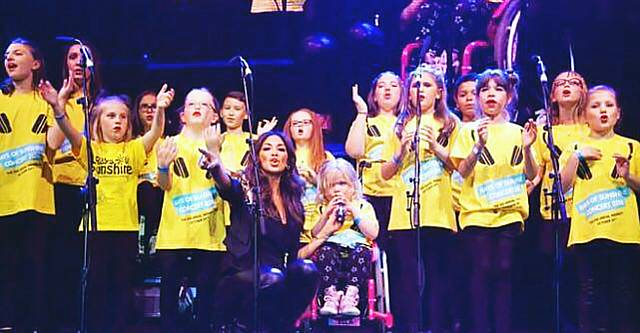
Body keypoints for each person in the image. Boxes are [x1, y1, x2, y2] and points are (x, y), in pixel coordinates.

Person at [42, 77, 175, 332]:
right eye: (111, 116)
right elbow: (67, 128)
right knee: (95, 289)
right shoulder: (89, 149)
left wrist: (159, 108)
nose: (118, 121)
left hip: (125, 229)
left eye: (123, 117)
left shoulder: (135, 149)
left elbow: (156, 132)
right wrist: (57, 107)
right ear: (97, 121)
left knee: (122, 290)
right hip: (94, 230)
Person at [201, 130, 319, 332]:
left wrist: (323, 235)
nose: (274, 153)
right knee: (273, 278)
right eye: (267, 148)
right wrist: (216, 168)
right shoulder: (248, 190)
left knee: (306, 269)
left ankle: (282, 327)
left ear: (288, 160)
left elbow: (293, 255)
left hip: (276, 277)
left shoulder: (294, 202)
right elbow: (229, 187)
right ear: (257, 157)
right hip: (240, 274)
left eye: (280, 149)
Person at [450, 68, 538, 333]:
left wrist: (527, 147)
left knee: (504, 271)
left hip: (509, 213)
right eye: (485, 89)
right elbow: (462, 171)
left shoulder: (517, 131)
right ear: (478, 97)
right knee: (481, 272)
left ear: (508, 97)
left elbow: (532, 174)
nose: (491, 94)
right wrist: (478, 145)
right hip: (477, 214)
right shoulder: (468, 131)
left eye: (498, 89)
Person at [380, 64, 459, 333]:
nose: (420, 90)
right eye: (415, 85)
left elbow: (459, 166)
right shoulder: (400, 125)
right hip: (404, 213)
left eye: (426, 85)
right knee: (410, 279)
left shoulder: (450, 123)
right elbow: (385, 172)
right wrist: (401, 151)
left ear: (439, 92)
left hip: (438, 211)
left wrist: (436, 147)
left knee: (438, 277)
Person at [559, 85, 640, 332]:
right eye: (595, 106)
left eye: (608, 105)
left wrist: (628, 176)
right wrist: (576, 158)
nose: (603, 110)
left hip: (623, 230)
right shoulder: (575, 147)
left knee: (623, 292)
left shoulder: (631, 146)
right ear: (584, 114)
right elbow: (561, 186)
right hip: (587, 230)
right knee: (589, 291)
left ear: (618, 113)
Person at [155, 88, 226, 332]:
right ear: (183, 114)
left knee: (206, 295)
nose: (197, 107)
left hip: (210, 233)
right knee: (169, 295)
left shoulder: (222, 143)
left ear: (215, 116)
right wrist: (162, 168)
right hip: (174, 232)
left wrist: (215, 152)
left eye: (204, 105)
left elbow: (229, 187)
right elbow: (164, 186)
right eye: (191, 104)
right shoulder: (169, 144)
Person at [0, 37, 52, 332]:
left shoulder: (45, 101)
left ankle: (33, 325)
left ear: (35, 63)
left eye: (18, 53)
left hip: (36, 198)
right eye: (7, 54)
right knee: (7, 269)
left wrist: (59, 104)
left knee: (35, 269)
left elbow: (56, 142)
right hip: (3, 198)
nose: (10, 58)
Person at [530, 70, 588, 330]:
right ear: (551, 95)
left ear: (583, 92)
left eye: (573, 83)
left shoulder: (591, 128)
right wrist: (526, 147)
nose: (566, 86)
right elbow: (534, 173)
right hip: (552, 214)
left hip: (586, 213)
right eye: (560, 84)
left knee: (583, 278)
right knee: (556, 279)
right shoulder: (544, 131)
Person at [307, 158, 379, 317]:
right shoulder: (321, 207)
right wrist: (326, 215)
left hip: (357, 249)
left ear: (353, 187)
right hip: (331, 248)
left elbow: (373, 233)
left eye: (342, 184)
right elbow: (315, 233)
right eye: (332, 185)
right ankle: (331, 296)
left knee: (363, 253)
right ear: (324, 190)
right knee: (325, 252)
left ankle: (350, 296)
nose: (337, 190)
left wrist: (355, 213)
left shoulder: (362, 206)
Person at [345, 71, 402, 251]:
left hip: (399, 194)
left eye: (393, 86)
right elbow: (354, 151)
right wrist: (361, 113)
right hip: (370, 193)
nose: (387, 89)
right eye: (381, 86)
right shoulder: (366, 121)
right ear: (374, 95)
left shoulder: (407, 123)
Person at [284, 108, 334, 242]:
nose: (300, 126)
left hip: (319, 218)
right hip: (291, 217)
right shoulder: (283, 156)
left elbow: (336, 190)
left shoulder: (326, 157)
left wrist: (316, 181)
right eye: (295, 123)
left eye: (306, 122)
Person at [131, 90, 165, 257]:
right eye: (145, 107)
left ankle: (153, 237)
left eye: (153, 106)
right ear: (137, 111)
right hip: (135, 192)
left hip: (162, 191)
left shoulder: (168, 140)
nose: (150, 111)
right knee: (144, 189)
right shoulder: (130, 141)